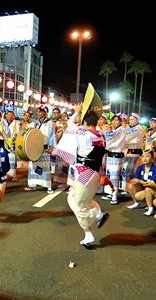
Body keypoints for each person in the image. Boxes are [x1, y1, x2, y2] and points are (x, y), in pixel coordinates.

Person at [55, 84, 109, 249]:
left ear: (84, 121)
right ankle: (99, 214)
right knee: (77, 199)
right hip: (94, 174)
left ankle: (89, 234)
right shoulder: (101, 135)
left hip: (83, 174)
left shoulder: (83, 134)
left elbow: (70, 124)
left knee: (78, 205)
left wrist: (77, 112)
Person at [24, 105, 55, 193]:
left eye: (41, 111)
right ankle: (32, 184)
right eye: (38, 111)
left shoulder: (50, 123)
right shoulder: (36, 123)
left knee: (45, 167)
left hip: (45, 148)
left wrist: (51, 146)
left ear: (45, 113)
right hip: (35, 149)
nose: (39, 113)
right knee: (33, 166)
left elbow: (52, 136)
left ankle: (48, 186)